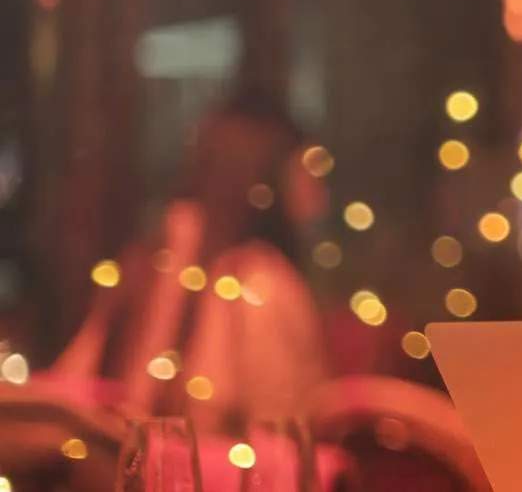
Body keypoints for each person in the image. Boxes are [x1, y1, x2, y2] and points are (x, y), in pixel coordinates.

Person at [49, 89, 328, 434]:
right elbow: (76, 382)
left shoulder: (268, 288)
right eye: (213, 162)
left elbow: (277, 437)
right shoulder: (151, 264)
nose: (222, 185)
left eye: (241, 167)